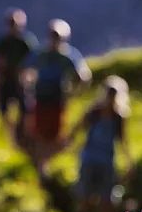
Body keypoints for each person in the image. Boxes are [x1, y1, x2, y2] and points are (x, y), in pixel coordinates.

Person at [70, 76, 133, 212]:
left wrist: (129, 162)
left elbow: (123, 141)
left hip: (107, 163)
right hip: (89, 161)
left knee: (107, 203)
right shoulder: (93, 113)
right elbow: (77, 130)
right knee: (86, 200)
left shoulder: (119, 117)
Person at [24, 19, 92, 177]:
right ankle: (42, 166)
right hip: (41, 98)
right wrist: (28, 86)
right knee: (39, 132)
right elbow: (25, 69)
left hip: (57, 99)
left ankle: (50, 163)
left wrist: (74, 92)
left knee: (55, 132)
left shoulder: (69, 56)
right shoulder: (41, 54)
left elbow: (84, 75)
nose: (55, 40)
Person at [0, 9, 36, 143]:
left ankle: (22, 132)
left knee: (25, 107)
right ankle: (9, 135)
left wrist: (27, 76)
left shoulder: (26, 42)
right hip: (6, 79)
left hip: (21, 79)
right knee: (4, 108)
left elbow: (33, 61)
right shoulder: (3, 43)